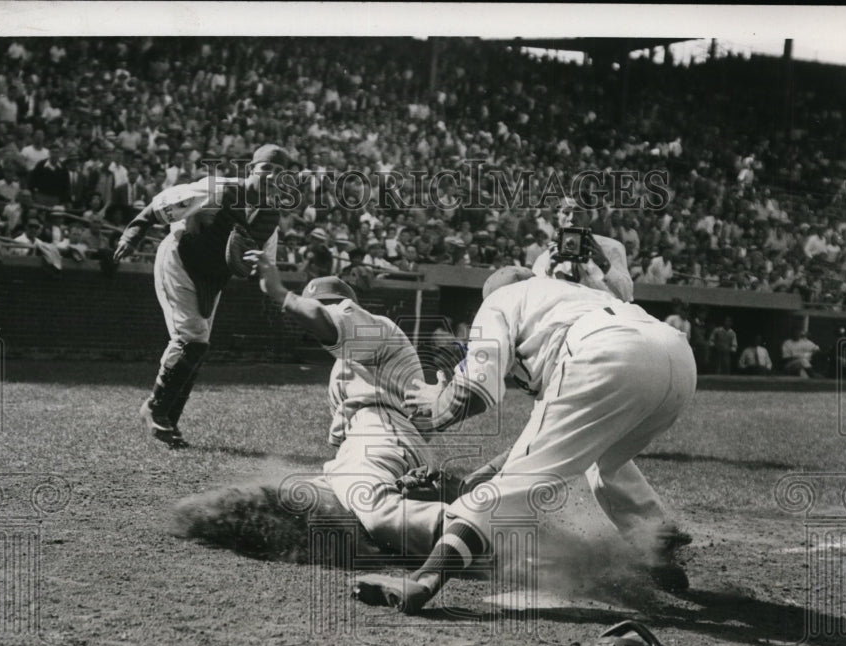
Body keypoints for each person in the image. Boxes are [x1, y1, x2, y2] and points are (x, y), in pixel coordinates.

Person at [353, 267, 697, 614]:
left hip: (608, 353)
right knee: (603, 455)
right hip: (679, 362)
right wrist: (478, 477)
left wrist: (437, 405)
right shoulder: (573, 299)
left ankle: (423, 580)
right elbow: (549, 435)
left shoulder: (501, 299)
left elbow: (475, 391)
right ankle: (655, 544)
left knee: (509, 493)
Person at [173, 260, 451, 558]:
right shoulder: (344, 368)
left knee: (375, 510)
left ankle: (477, 533)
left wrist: (280, 293)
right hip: (373, 450)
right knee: (301, 505)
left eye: (330, 305)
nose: (322, 312)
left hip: (382, 434)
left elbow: (326, 318)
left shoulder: (376, 328)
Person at [113, 143, 291, 447]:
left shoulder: (270, 218)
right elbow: (161, 205)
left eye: (279, 173)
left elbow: (263, 265)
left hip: (212, 276)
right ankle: (154, 410)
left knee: (199, 344)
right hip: (181, 258)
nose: (272, 176)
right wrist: (133, 234)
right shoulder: (218, 190)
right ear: (251, 169)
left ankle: (169, 419)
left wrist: (259, 276)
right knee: (191, 337)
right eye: (267, 169)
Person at [531, 198, 634, 302]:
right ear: (558, 217)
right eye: (566, 213)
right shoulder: (546, 258)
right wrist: (549, 271)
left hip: (602, 313)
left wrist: (605, 265)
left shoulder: (612, 248)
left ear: (589, 216)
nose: (571, 218)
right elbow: (534, 298)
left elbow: (627, 295)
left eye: (577, 212)